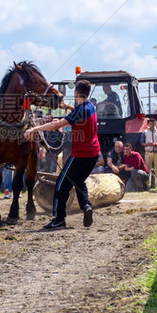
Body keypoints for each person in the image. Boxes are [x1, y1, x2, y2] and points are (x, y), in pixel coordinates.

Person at [23, 79, 99, 230]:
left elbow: (57, 124)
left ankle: (58, 219)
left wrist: (35, 129)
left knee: (61, 185)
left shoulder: (79, 110)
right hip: (93, 154)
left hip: (80, 155)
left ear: (76, 92)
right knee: (78, 181)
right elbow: (77, 111)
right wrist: (68, 106)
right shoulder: (90, 106)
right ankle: (86, 206)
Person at [142, 121, 157, 190]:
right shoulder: (145, 132)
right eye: (150, 124)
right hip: (148, 152)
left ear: (155, 124)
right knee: (147, 169)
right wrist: (148, 144)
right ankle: (147, 185)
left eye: (153, 124)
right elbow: (142, 143)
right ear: (148, 124)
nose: (151, 125)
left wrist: (156, 144)